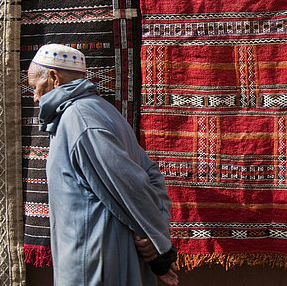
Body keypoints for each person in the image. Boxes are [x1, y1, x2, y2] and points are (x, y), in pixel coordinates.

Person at [27, 44, 178, 286]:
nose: (35, 97)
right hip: (106, 257)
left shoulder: (79, 119)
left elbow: (130, 184)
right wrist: (156, 234)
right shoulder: (102, 110)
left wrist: (157, 245)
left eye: (35, 87)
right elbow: (150, 174)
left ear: (54, 78)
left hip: (95, 263)